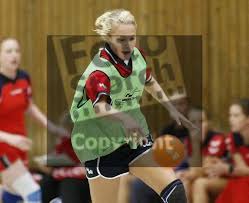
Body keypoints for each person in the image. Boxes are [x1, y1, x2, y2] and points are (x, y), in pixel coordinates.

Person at [70, 9, 195, 203]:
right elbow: (100, 107)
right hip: (100, 142)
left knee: (175, 191)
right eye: (121, 39)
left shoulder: (137, 56)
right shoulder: (99, 70)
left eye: (132, 38)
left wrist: (171, 107)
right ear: (109, 38)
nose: (128, 45)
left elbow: (149, 80)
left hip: (132, 136)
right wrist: (126, 119)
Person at [0, 37, 66, 203]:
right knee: (33, 192)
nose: (14, 55)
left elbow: (29, 106)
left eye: (17, 50)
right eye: (8, 51)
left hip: (21, 146)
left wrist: (52, 127)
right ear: (0, 56)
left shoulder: (24, 78)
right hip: (3, 149)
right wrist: (11, 139)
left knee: (12, 194)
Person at [192, 99, 249, 203]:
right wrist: (218, 166)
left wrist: (228, 169)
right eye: (230, 115)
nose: (231, 119)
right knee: (195, 181)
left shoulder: (217, 138)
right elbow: (241, 167)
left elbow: (240, 170)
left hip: (241, 178)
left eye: (236, 116)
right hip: (238, 177)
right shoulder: (233, 137)